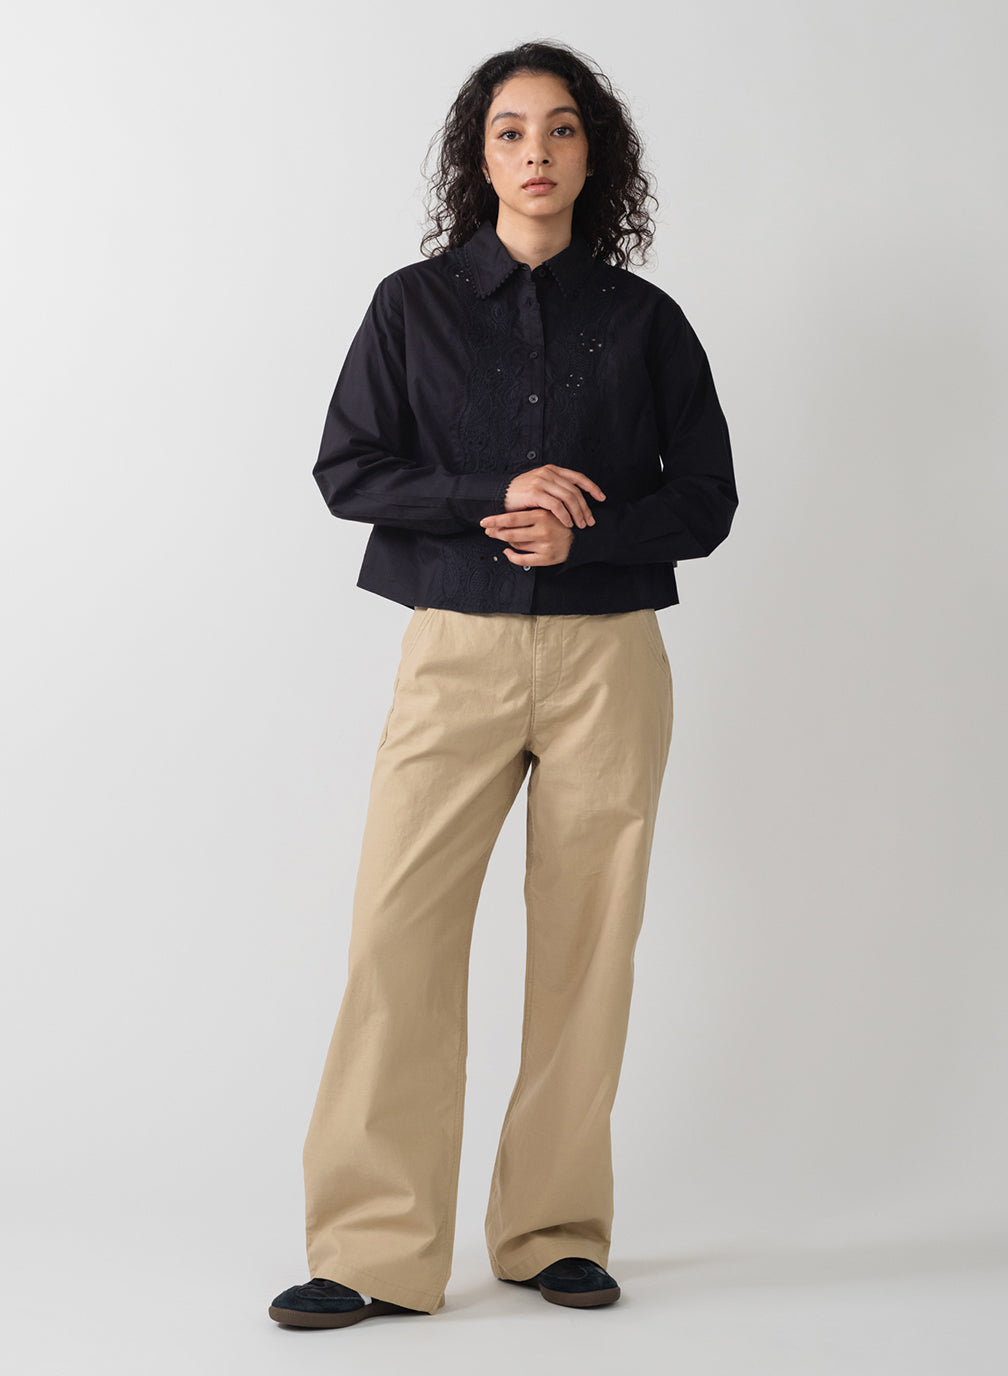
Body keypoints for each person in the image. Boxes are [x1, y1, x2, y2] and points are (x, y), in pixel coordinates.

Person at [269, 39, 737, 1330]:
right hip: (454, 651)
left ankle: (552, 1233)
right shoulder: (411, 307)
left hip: (608, 658)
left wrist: (589, 534)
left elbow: (707, 500)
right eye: (511, 131)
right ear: (477, 158)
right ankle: (372, 1251)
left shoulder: (645, 322)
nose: (537, 152)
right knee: (397, 936)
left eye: (562, 129)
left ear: (595, 155)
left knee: (589, 949)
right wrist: (495, 492)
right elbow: (349, 470)